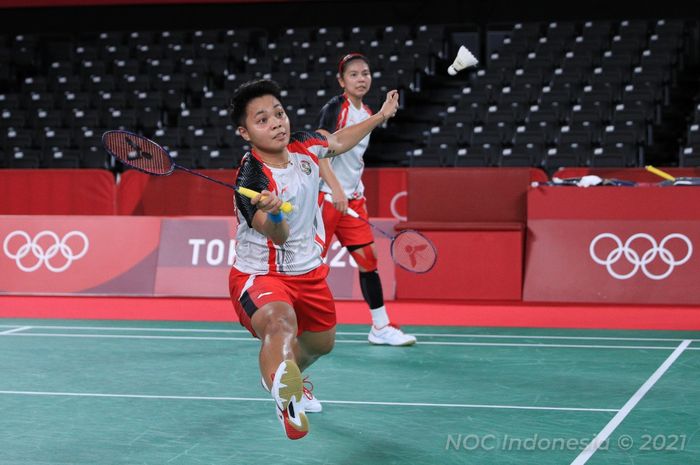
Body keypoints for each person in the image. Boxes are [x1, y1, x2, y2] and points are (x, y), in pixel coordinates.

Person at [227, 78, 399, 440]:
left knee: (322, 343)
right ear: (245, 132)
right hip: (261, 275)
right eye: (262, 120)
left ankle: (282, 376)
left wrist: (381, 115)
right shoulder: (252, 178)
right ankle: (283, 395)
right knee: (280, 322)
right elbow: (278, 235)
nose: (276, 122)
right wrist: (273, 213)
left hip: (309, 273)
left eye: (279, 113)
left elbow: (337, 141)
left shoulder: (304, 145)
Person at [316, 53, 417, 346]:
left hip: (353, 200)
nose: (361, 79)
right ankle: (298, 322)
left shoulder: (368, 112)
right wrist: (334, 188)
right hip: (326, 198)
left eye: (365, 73)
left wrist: (351, 190)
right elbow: (319, 150)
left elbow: (353, 158)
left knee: (368, 260)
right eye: (354, 75)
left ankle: (380, 326)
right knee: (310, 266)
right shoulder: (335, 108)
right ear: (341, 81)